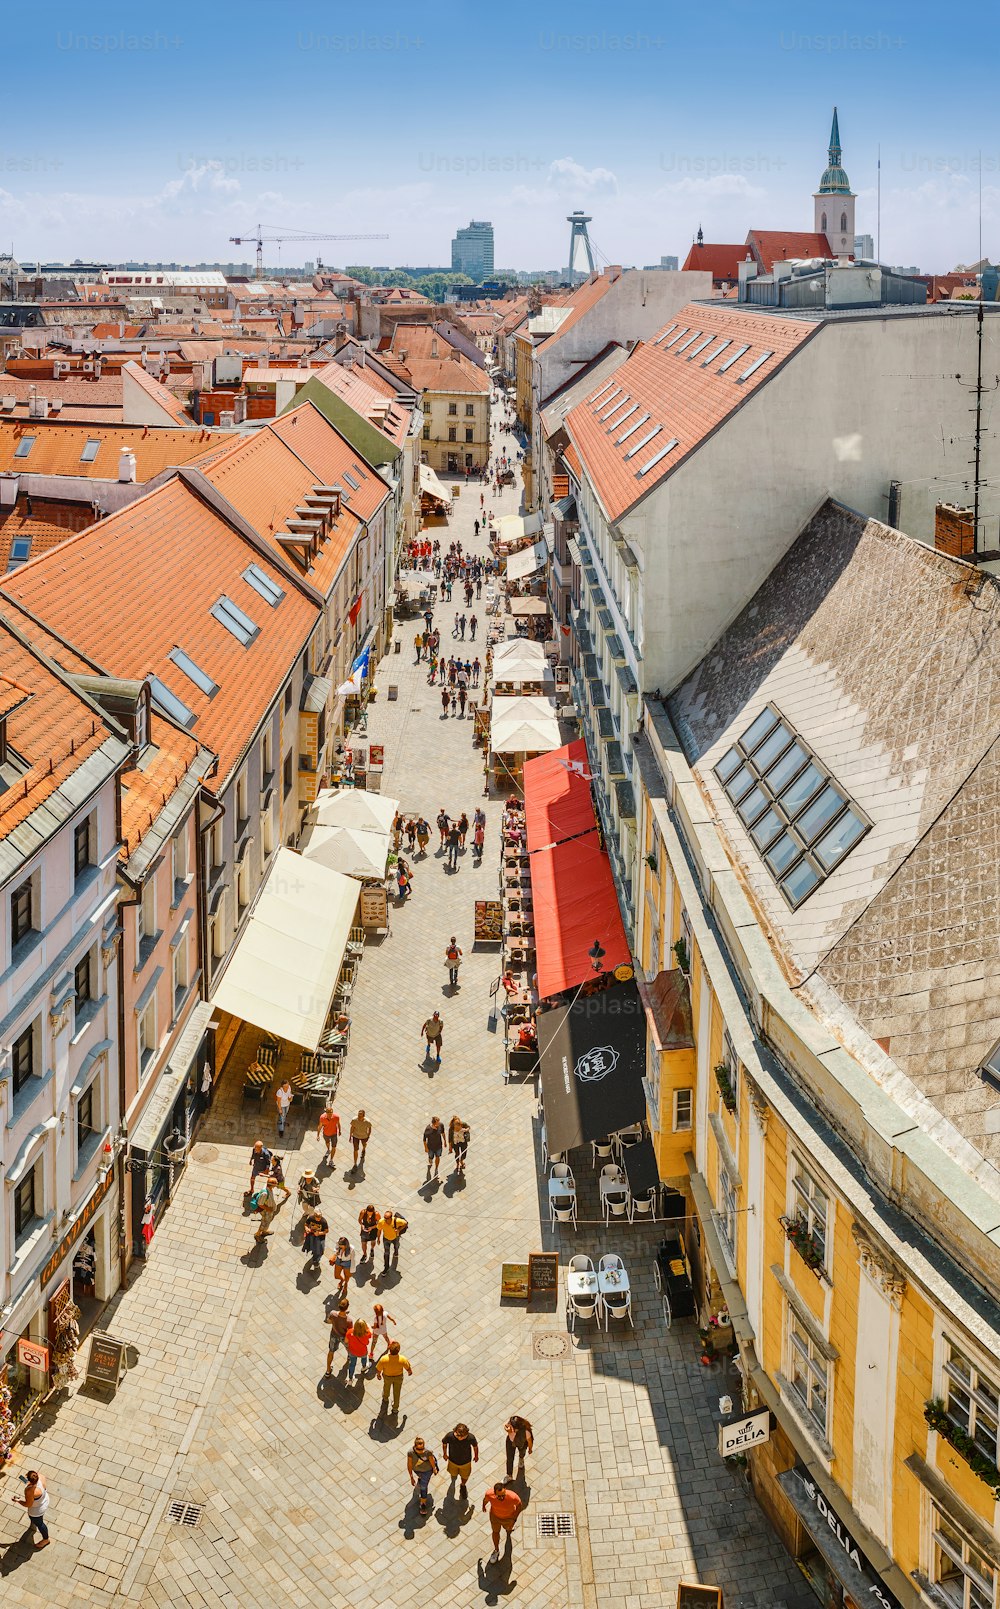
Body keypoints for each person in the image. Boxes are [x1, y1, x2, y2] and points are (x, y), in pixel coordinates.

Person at [483, 1481, 523, 1565]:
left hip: (508, 1518)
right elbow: (486, 1499)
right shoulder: (489, 1494)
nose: (502, 1498)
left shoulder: (512, 1496)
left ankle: (509, 1531)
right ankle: (496, 1550)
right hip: (495, 1517)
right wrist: (483, 1506)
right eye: (499, 1496)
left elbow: (519, 1505)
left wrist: (513, 1519)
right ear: (494, 1493)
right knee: (495, 1532)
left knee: (508, 1529)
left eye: (503, 1495)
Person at [12, 1469, 50, 1549]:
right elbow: (35, 1484)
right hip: (44, 1500)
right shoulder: (41, 1476)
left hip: (37, 1510)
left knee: (40, 1523)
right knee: (37, 1521)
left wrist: (18, 1500)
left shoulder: (30, 1491)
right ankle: (34, 1524)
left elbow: (28, 1504)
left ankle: (46, 1539)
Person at [442, 1423, 478, 1506]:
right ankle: (453, 1477)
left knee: (465, 1476)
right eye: (458, 1436)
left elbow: (475, 1446)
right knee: (453, 1473)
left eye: (462, 1436)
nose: (460, 1438)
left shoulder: (471, 1438)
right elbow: (444, 1443)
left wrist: (476, 1456)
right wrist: (444, 1453)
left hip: (466, 1462)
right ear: (455, 1431)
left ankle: (463, 1485)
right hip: (452, 1461)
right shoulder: (450, 1436)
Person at [376, 1340, 412, 1416]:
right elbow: (408, 1368)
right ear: (398, 1350)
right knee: (397, 1392)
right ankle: (395, 1408)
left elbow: (379, 1369)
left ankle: (385, 1398)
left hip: (387, 1376)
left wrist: (378, 1375)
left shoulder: (384, 1359)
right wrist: (409, 1372)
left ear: (389, 1349)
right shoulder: (402, 1359)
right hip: (398, 1377)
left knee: (386, 1387)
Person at [408, 1437, 439, 1516]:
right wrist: (411, 1477)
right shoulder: (411, 1453)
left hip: (427, 1471)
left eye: (422, 1448)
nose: (422, 1451)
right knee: (422, 1481)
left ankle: (423, 1504)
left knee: (423, 1487)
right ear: (415, 1447)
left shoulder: (428, 1451)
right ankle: (420, 1479)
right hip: (417, 1470)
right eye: (419, 1450)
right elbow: (409, 1465)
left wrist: (434, 1468)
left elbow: (432, 1460)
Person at [325, 1296, 351, 1376]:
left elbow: (329, 1321)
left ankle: (328, 1370)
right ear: (347, 1308)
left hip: (334, 1335)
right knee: (349, 1349)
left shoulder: (333, 1313)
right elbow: (350, 1332)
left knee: (331, 1351)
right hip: (344, 1337)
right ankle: (349, 1358)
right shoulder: (349, 1320)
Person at [504, 1415, 534, 1479]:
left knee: (522, 1453)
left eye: (513, 1428)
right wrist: (507, 1430)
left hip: (521, 1443)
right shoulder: (511, 1423)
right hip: (510, 1442)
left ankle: (521, 1459)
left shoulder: (526, 1432)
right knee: (509, 1458)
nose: (511, 1428)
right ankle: (509, 1475)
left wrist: (530, 1449)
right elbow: (505, 1426)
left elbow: (529, 1441)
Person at [378, 1207, 407, 1272]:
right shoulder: (381, 1222)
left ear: (391, 1218)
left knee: (396, 1246)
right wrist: (378, 1238)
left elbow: (405, 1223)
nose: (385, 1219)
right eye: (384, 1217)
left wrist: (399, 1230)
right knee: (386, 1253)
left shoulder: (396, 1221)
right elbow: (379, 1230)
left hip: (395, 1238)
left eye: (386, 1218)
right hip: (386, 1239)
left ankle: (396, 1251)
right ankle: (386, 1267)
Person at [302, 1206, 329, 1272]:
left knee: (319, 1250)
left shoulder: (323, 1221)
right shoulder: (311, 1218)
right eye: (317, 1217)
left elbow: (326, 1231)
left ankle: (316, 1260)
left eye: (319, 1217)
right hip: (311, 1236)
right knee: (311, 1246)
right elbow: (306, 1224)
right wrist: (307, 1228)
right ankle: (314, 1256)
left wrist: (319, 1233)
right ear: (314, 1215)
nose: (318, 1219)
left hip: (320, 1238)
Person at [251, 1174, 277, 1243]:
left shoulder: (268, 1187)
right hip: (266, 1211)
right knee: (264, 1223)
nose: (276, 1185)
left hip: (269, 1210)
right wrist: (268, 1209)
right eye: (275, 1184)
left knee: (267, 1222)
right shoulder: (265, 1194)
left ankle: (265, 1231)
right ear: (271, 1185)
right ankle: (257, 1235)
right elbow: (260, 1203)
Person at [345, 1317, 371, 1383]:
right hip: (362, 1352)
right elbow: (367, 1343)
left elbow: (346, 1341)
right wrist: (368, 1327)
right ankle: (364, 1367)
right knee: (364, 1359)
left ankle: (350, 1378)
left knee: (352, 1364)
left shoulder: (350, 1332)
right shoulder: (367, 1333)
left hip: (352, 1351)